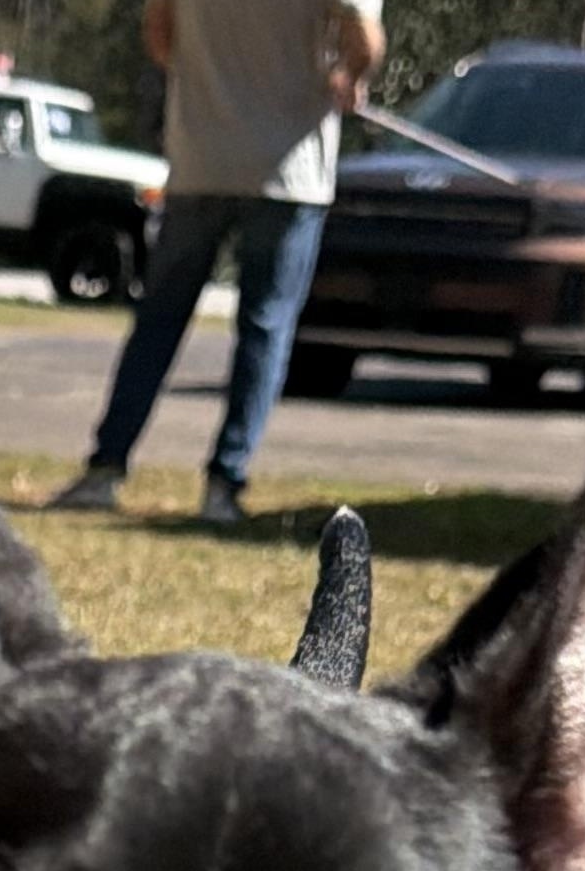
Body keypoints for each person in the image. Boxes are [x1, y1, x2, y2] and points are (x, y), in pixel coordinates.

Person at [50, 0, 381, 529]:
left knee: (158, 321)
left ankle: (105, 469)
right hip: (287, 170)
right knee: (264, 328)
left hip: (201, 156)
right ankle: (223, 486)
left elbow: (158, 31)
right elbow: (363, 34)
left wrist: (207, 79)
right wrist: (346, 77)